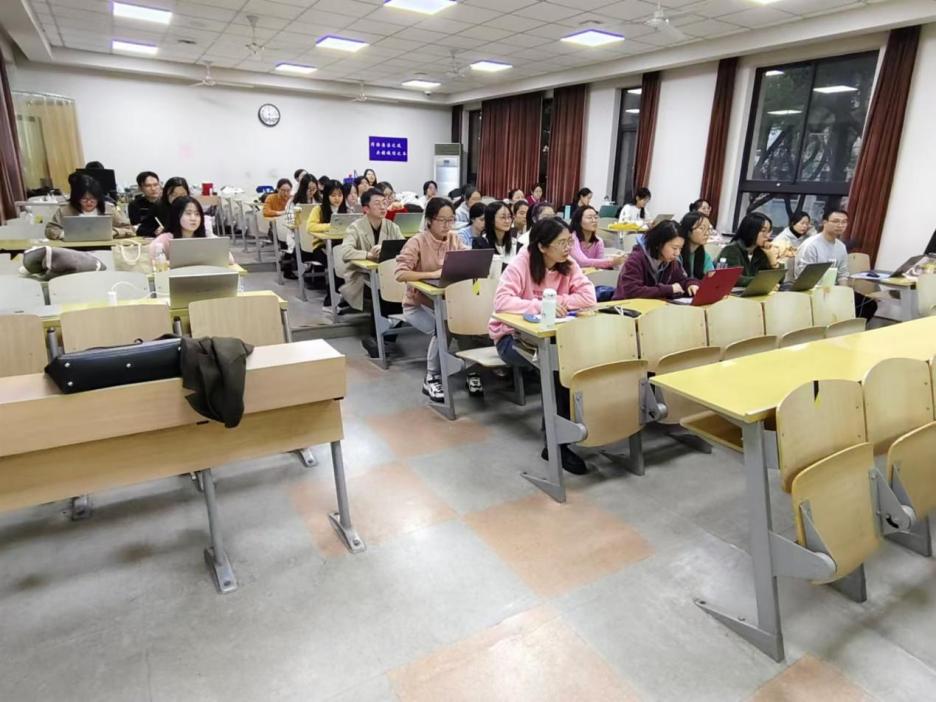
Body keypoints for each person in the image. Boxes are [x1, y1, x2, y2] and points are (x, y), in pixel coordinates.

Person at [488, 217, 597, 474]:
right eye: (561, 243)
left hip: (552, 338)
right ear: (542, 246)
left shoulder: (567, 264)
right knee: (558, 371)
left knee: (572, 365)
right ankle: (556, 444)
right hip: (511, 339)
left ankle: (569, 430)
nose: (568, 248)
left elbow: (589, 297)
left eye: (569, 241)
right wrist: (543, 305)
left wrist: (559, 301)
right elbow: (502, 302)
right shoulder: (521, 263)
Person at [395, 197, 472, 401]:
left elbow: (468, 259)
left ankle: (471, 370)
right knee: (442, 327)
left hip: (446, 303)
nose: (447, 225)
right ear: (429, 220)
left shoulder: (454, 239)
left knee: (467, 323)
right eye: (442, 220)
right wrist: (432, 275)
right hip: (417, 304)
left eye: (451, 220)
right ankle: (432, 377)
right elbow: (400, 273)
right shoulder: (417, 241)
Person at [340, 189, 403, 355]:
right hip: (361, 276)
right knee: (381, 291)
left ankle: (386, 339)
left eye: (384, 203)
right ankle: (376, 338)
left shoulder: (392, 227)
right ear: (366, 208)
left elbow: (403, 250)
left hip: (388, 276)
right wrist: (368, 255)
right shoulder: (355, 227)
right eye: (377, 204)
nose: (383, 207)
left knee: (399, 291)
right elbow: (345, 252)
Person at [795, 208, 877, 321]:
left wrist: (845, 295)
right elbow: (804, 277)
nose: (840, 225)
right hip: (812, 291)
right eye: (836, 221)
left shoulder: (841, 246)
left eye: (844, 222)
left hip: (833, 290)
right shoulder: (811, 245)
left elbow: (842, 273)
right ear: (824, 223)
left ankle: (849, 329)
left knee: (869, 304)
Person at [613, 220, 700, 300]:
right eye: (674, 248)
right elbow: (632, 292)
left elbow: (682, 280)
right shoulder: (636, 259)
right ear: (659, 244)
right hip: (624, 307)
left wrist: (691, 284)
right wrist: (668, 289)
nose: (677, 253)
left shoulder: (671, 261)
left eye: (680, 248)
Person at [45, 174, 133, 240]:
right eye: (84, 199)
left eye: (93, 199)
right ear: (77, 198)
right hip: (74, 250)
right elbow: (50, 230)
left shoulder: (109, 209)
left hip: (105, 248)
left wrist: (114, 232)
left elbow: (129, 229)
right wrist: (65, 234)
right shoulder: (65, 210)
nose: (89, 202)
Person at [719, 213, 778, 287]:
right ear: (751, 230)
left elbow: (778, 279)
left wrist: (773, 261)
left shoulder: (761, 251)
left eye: (768, 231)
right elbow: (734, 278)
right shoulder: (731, 250)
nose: (767, 236)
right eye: (763, 231)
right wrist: (762, 282)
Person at [149, 196, 208, 262]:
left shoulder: (205, 239)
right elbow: (154, 264)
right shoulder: (163, 240)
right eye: (188, 213)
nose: (193, 218)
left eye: (197, 214)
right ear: (176, 215)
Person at [679, 211, 715, 279]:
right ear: (688, 231)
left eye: (708, 229)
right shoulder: (677, 255)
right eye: (702, 228)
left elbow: (711, 277)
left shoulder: (705, 256)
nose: (707, 233)